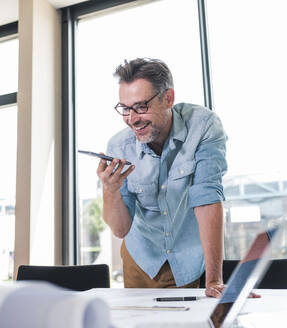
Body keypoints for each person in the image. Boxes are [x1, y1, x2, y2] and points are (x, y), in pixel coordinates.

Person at [96, 58, 228, 298]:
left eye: (141, 106)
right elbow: (120, 229)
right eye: (125, 108)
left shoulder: (203, 126)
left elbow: (207, 197)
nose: (132, 118)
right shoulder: (119, 145)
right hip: (140, 259)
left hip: (189, 260)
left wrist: (214, 279)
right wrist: (110, 191)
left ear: (168, 98)